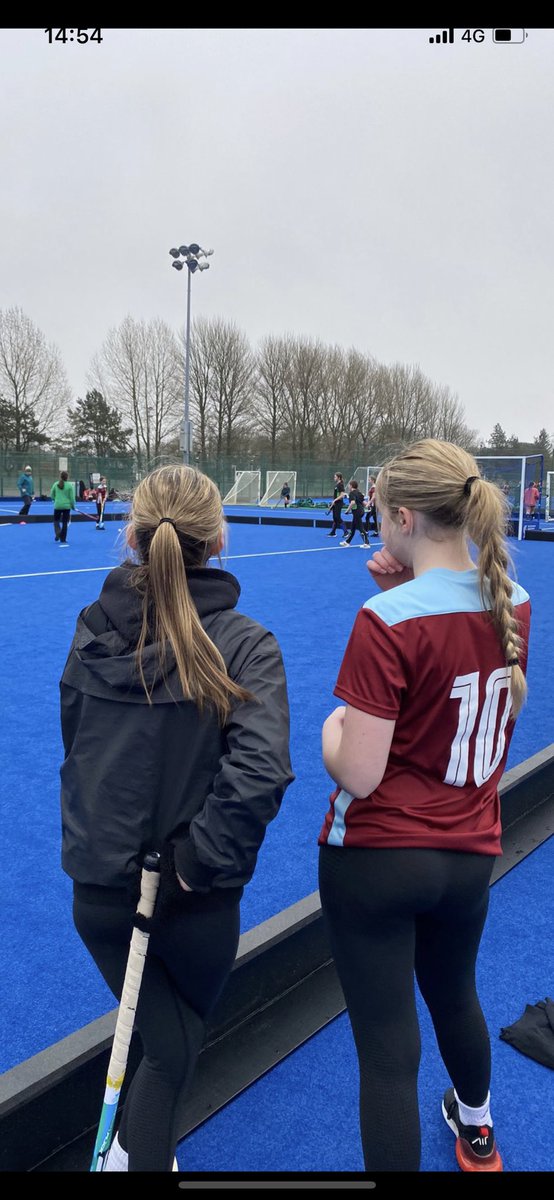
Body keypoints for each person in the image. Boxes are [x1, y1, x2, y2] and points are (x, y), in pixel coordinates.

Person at [58, 463, 294, 1172]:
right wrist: (194, 863)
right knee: (170, 1051)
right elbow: (261, 770)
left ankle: (131, 1150)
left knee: (168, 1042)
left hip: (102, 892)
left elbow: (76, 744)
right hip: (193, 903)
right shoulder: (247, 642)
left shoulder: (92, 628)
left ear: (130, 535)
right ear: (219, 538)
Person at [317, 438, 531, 1173]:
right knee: (456, 995)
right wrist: (397, 589)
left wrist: (328, 732)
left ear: (403, 517)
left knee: (386, 1052)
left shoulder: (388, 619)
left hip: (377, 859)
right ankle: (478, 1130)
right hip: (469, 855)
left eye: (381, 517)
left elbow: (362, 772)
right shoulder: (516, 603)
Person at [340, 480, 369, 546]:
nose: (349, 486)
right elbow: (364, 502)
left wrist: (347, 510)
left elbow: (352, 503)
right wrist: (368, 506)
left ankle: (367, 543)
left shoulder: (352, 493)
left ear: (351, 486)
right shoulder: (359, 493)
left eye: (349, 485)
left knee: (361, 528)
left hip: (357, 512)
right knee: (353, 528)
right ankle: (347, 542)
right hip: (361, 511)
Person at [50, 470, 76, 545]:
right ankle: (63, 539)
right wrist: (73, 506)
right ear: (67, 477)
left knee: (56, 521)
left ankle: (58, 533)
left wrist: (55, 500)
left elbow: (52, 495)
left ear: (60, 477)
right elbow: (72, 498)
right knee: (65, 522)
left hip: (57, 505)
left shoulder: (55, 484)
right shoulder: (69, 486)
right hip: (66, 507)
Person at [326, 472, 348, 537]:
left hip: (339, 503)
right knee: (335, 518)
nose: (334, 478)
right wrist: (333, 502)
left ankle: (346, 532)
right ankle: (333, 532)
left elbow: (342, 495)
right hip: (336, 503)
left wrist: (335, 500)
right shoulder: (337, 484)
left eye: (335, 477)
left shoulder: (340, 485)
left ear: (339, 477)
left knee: (338, 517)